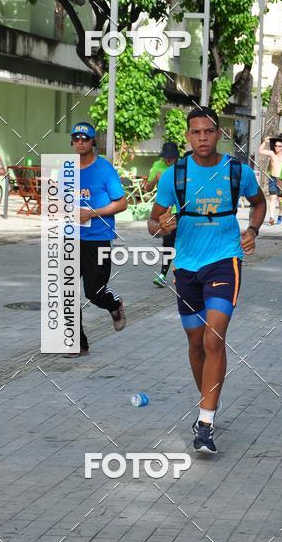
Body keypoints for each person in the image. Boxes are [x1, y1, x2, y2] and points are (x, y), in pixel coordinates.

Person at [149, 107, 266, 455]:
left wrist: (253, 229)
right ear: (188, 136)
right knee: (196, 342)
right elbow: (153, 222)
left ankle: (205, 422)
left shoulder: (237, 171)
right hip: (185, 265)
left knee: (215, 338)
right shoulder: (174, 175)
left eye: (209, 131)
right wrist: (162, 227)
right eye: (196, 132)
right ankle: (208, 401)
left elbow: (258, 204)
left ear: (219, 134)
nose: (202, 138)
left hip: (224, 260)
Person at [69, 122, 128, 356]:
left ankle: (114, 305)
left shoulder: (104, 169)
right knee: (66, 291)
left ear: (93, 142)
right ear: (72, 141)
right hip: (70, 237)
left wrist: (92, 213)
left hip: (98, 238)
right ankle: (77, 343)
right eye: (76, 138)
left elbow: (122, 203)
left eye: (85, 138)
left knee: (94, 292)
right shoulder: (66, 169)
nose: (80, 142)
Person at [144, 141, 180, 287]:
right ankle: (163, 274)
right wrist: (155, 178)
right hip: (165, 211)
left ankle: (181, 272)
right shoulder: (158, 165)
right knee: (168, 242)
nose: (168, 159)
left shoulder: (184, 167)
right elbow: (147, 188)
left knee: (184, 241)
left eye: (171, 157)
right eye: (166, 157)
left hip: (183, 209)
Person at [258, 136, 282, 225]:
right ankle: (272, 217)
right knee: (272, 198)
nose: (277, 147)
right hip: (273, 178)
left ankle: (280, 214)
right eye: (276, 145)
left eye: (279, 146)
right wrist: (265, 142)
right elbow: (260, 151)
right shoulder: (272, 154)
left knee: (281, 200)